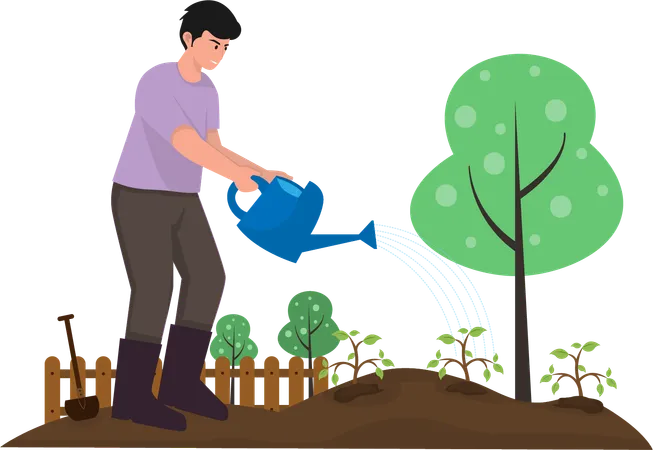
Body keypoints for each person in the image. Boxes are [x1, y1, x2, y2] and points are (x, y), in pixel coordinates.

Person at [109, 0, 294, 431]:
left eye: (227, 48)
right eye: (214, 44)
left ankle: (179, 384)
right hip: (140, 195)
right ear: (188, 39)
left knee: (210, 276)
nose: (220, 55)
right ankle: (132, 397)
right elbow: (185, 142)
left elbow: (216, 147)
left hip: (182, 197)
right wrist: (234, 176)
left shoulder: (210, 92)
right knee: (155, 286)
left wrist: (262, 173)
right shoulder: (157, 81)